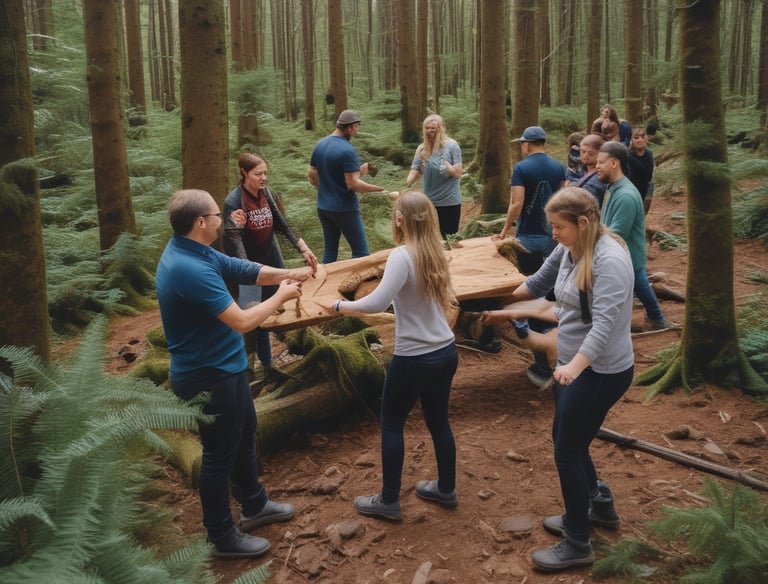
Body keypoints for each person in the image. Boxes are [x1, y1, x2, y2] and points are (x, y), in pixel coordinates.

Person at [481, 186, 635, 572]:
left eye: (559, 227)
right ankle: (599, 504)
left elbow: (603, 327)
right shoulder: (570, 248)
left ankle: (578, 540)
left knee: (567, 449)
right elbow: (536, 283)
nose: (554, 234)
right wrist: (499, 306)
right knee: (570, 439)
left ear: (582, 223)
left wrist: (571, 368)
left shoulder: (609, 261)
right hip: (575, 365)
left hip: (599, 371)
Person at [156, 189, 314, 558]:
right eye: (216, 215)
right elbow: (242, 321)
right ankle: (221, 536)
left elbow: (242, 269)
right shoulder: (187, 268)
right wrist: (281, 296)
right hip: (207, 375)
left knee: (244, 432)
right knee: (218, 454)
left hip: (226, 367)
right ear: (201, 222)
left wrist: (291, 271)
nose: (222, 220)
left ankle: (254, 504)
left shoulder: (192, 249)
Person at [322, 190, 459, 522]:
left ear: (399, 219)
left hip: (415, 356)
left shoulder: (402, 255)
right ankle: (446, 488)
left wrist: (339, 307)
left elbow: (375, 303)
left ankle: (388, 500)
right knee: (438, 419)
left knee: (392, 422)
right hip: (445, 350)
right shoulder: (435, 251)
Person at [223, 152, 319, 371]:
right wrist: (248, 270)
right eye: (258, 174)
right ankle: (247, 368)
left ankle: (268, 365)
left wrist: (304, 249)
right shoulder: (234, 202)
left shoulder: (267, 194)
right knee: (252, 318)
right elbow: (234, 239)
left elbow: (283, 225)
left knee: (271, 309)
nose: (263, 178)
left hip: (270, 258)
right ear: (244, 173)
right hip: (248, 267)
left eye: (265, 173)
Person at [494, 125, 565, 384]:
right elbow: (564, 199)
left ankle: (541, 362)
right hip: (554, 238)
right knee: (552, 297)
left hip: (528, 239)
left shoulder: (522, 168)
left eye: (522, 143)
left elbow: (517, 203)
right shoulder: (558, 167)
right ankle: (557, 353)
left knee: (531, 294)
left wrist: (504, 231)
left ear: (527, 144)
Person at [596, 142, 668, 331]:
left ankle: (657, 320)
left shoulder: (625, 195)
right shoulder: (613, 188)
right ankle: (655, 318)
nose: (596, 167)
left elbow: (617, 233)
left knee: (639, 283)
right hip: (623, 256)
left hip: (628, 256)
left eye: (600, 162)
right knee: (639, 284)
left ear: (614, 163)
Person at [308, 110, 385, 263]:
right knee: (361, 253)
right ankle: (357, 285)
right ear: (349, 128)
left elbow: (311, 173)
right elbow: (353, 184)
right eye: (356, 126)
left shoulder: (321, 144)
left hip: (324, 207)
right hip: (345, 209)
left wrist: (324, 188)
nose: (358, 129)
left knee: (330, 252)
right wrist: (378, 189)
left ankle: (325, 284)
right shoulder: (347, 150)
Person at [406, 114, 463, 238]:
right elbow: (415, 168)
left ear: (441, 128)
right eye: (427, 128)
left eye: (433, 128)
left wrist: (450, 168)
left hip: (449, 200)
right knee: (430, 236)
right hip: (429, 201)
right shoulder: (422, 148)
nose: (429, 131)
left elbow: (458, 173)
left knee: (449, 236)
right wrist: (409, 181)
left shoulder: (452, 146)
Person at [626, 126, 655, 215]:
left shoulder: (649, 153)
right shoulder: (627, 155)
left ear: (647, 138)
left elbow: (649, 174)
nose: (640, 140)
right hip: (630, 191)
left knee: (642, 214)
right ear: (632, 139)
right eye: (636, 138)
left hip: (645, 189)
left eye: (643, 137)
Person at [574, 133, 607, 208]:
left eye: (590, 153)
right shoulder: (583, 169)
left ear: (601, 154)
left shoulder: (598, 178)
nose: (585, 155)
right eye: (583, 151)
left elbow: (586, 207)